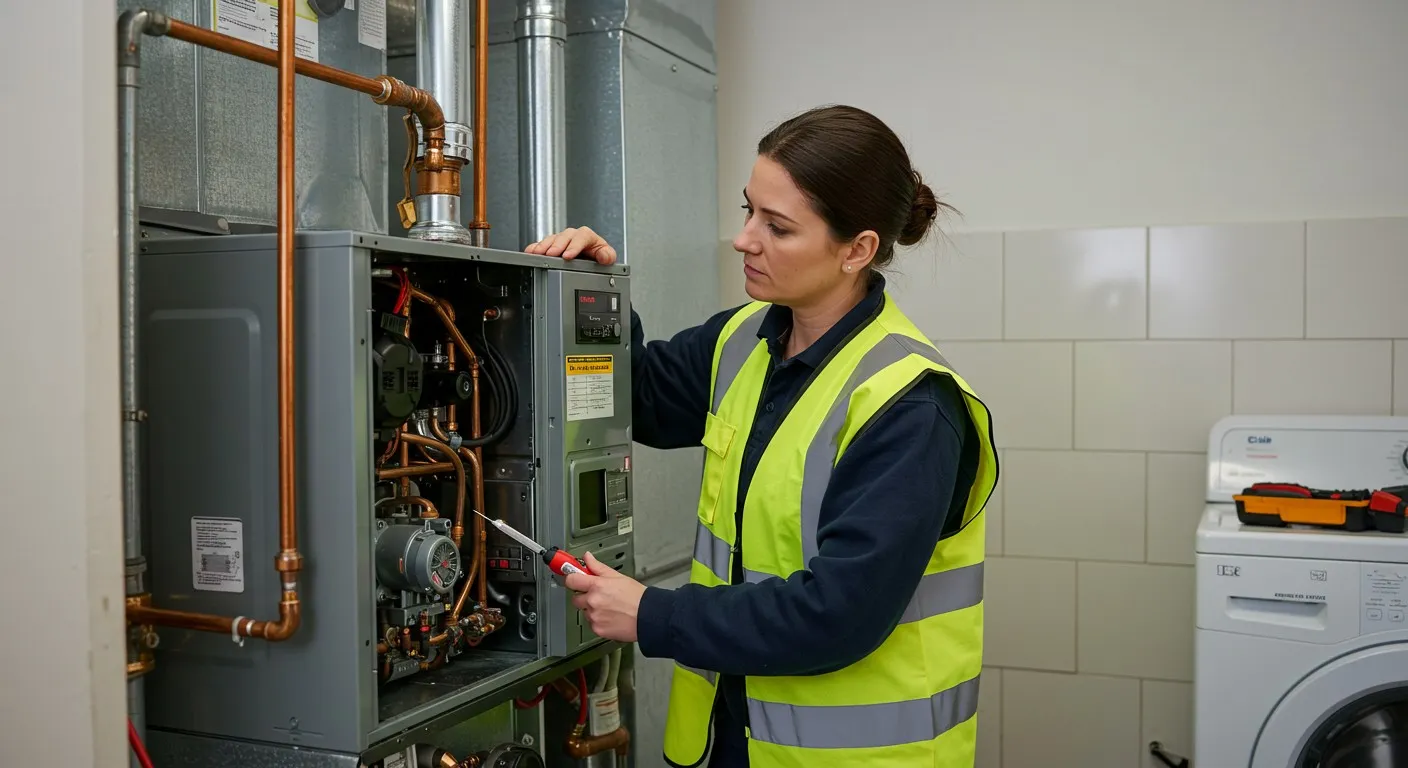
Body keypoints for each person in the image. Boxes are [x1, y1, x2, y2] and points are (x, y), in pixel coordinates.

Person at [525, 104, 998, 767]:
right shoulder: (743, 339)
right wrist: (592, 297)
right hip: (737, 742)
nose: (745, 239)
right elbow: (641, 401)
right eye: (749, 211)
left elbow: (840, 614)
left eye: (777, 227)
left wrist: (652, 615)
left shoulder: (910, 405)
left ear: (856, 249)